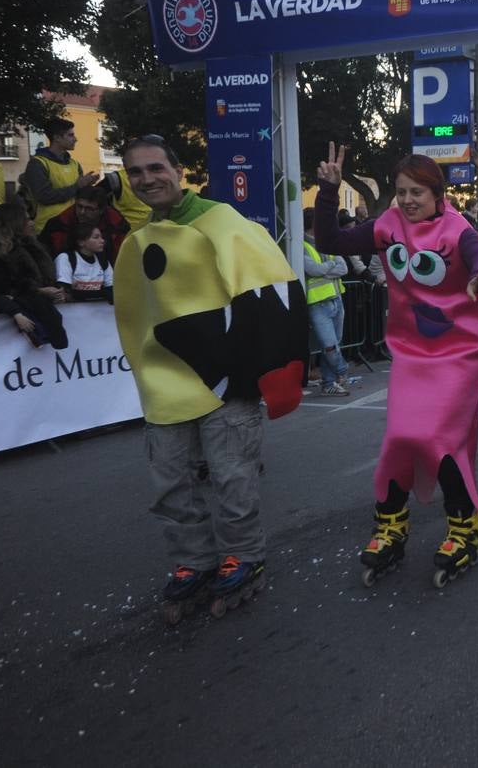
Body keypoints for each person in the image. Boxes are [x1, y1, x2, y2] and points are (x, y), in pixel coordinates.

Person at [113, 135, 308, 622]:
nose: (146, 179)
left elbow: (271, 291)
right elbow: (135, 314)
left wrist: (270, 375)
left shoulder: (222, 222)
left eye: (156, 168)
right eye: (135, 172)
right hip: (165, 383)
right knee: (169, 482)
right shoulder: (137, 241)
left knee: (232, 477)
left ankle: (243, 553)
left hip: (225, 382)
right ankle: (193, 560)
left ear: (178, 172)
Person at [313, 144, 478, 590]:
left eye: (417, 192)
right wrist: (327, 191)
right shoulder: (387, 225)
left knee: (439, 437)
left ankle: (463, 525)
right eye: (401, 192)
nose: (408, 200)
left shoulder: (458, 230)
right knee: (400, 435)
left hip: (458, 354)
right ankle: (391, 524)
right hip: (412, 355)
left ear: (438, 194)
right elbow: (329, 242)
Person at [0, 201, 68, 348]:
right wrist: (38, 292)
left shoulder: (30, 245)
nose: (31, 223)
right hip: (1, 322)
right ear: (13, 224)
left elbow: (42, 278)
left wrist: (57, 292)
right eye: (27, 219)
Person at [303, 207, 351, 396]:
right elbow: (312, 269)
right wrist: (330, 267)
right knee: (329, 344)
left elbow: (344, 268)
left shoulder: (327, 242)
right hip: (317, 302)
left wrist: (325, 268)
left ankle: (329, 384)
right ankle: (342, 370)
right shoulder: (300, 244)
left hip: (336, 298)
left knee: (334, 344)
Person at [22, 118, 99, 228]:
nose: (75, 139)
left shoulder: (75, 164)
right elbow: (44, 197)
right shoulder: (38, 163)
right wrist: (78, 186)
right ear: (57, 137)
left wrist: (87, 185)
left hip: (73, 226)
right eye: (70, 135)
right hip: (47, 228)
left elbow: (79, 195)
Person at [40, 182, 130, 262]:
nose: (82, 212)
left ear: (101, 210)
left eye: (89, 209)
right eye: (79, 206)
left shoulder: (117, 226)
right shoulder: (57, 225)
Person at [54, 223, 114, 303]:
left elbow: (112, 291)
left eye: (101, 237)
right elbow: (65, 292)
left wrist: (78, 292)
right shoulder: (66, 258)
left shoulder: (103, 260)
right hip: (71, 309)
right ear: (81, 242)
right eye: (96, 237)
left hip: (99, 309)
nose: (102, 241)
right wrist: (102, 293)